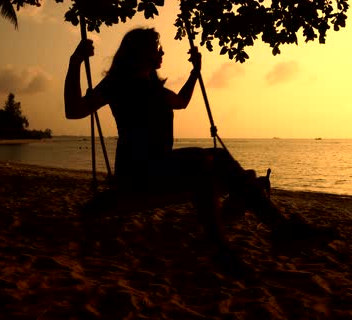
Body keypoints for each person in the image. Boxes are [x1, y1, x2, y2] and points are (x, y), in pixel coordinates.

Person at [64, 28, 336, 271]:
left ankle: (271, 233)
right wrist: (75, 61)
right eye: (157, 47)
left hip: (159, 167)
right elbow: (74, 110)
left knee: (211, 165)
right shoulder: (117, 84)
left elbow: (181, 101)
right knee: (202, 161)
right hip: (136, 173)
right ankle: (250, 240)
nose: (162, 52)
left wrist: (195, 73)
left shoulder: (154, 88)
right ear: (142, 51)